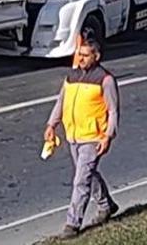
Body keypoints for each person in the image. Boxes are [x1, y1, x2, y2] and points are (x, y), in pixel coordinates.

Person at [44, 39, 120, 239]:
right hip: (73, 136)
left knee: (81, 180)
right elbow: (61, 101)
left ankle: (72, 224)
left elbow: (113, 111)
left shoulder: (105, 80)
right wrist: (52, 124)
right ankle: (106, 205)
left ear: (96, 56)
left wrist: (108, 136)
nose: (80, 58)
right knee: (87, 173)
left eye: (85, 55)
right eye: (79, 54)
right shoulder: (71, 76)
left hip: (93, 138)